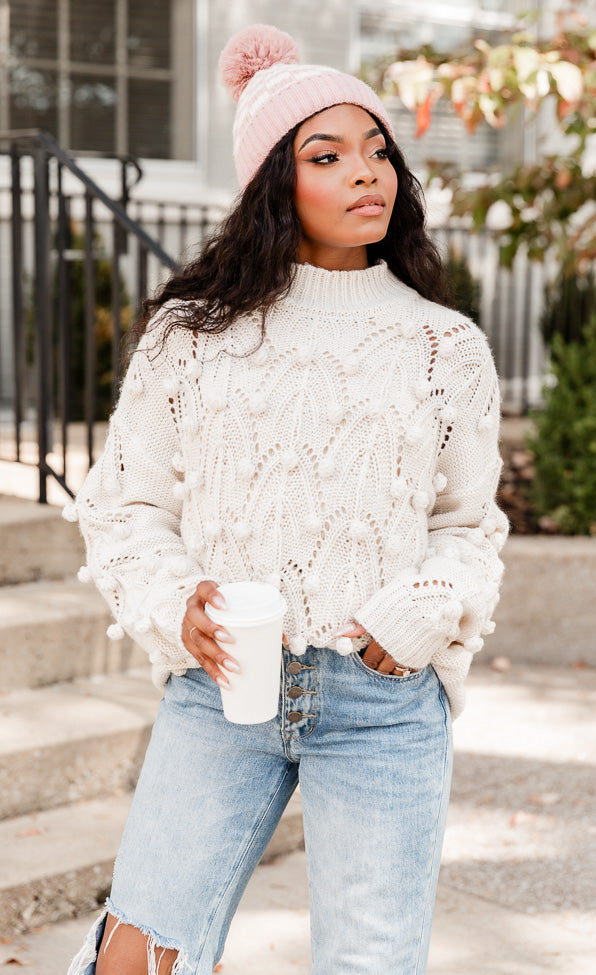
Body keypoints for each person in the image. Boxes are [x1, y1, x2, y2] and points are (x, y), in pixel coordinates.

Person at [65, 23, 508, 975]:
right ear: (274, 181)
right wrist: (174, 601)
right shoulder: (192, 334)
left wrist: (427, 607)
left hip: (382, 699)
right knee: (138, 959)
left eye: (378, 149)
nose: (368, 172)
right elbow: (125, 507)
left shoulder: (445, 345)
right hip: (223, 689)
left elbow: (469, 527)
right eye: (328, 153)